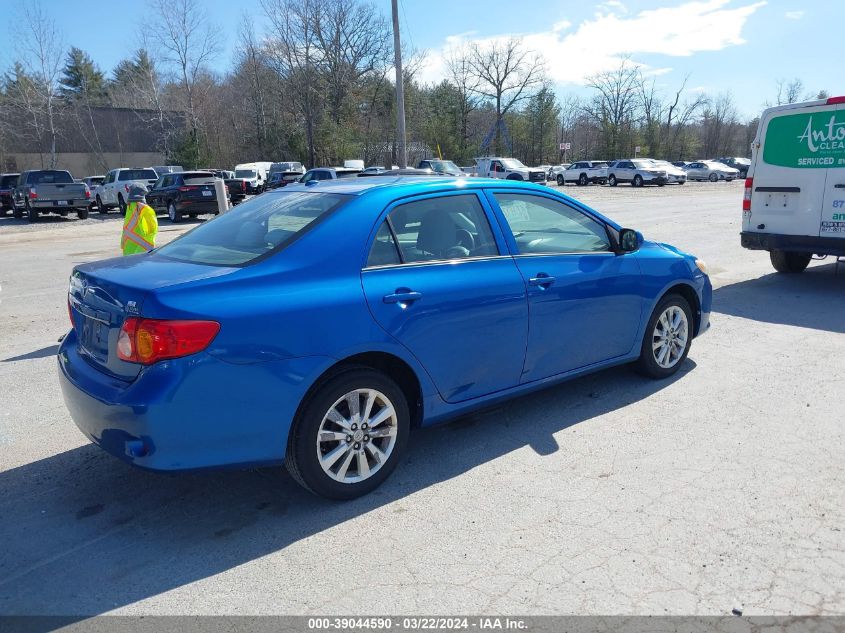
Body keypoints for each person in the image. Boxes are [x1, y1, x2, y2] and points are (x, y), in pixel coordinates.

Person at [121, 185, 158, 256]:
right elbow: (152, 230)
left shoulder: (130, 208)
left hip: (129, 252)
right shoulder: (144, 210)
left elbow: (125, 231)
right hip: (142, 252)